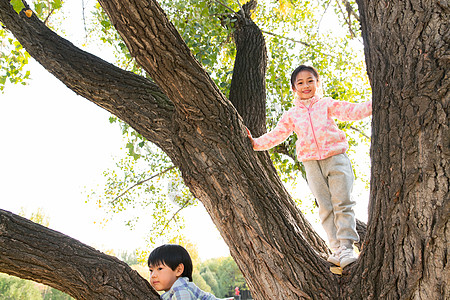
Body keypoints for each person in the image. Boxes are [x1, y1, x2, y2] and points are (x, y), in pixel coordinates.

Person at [246, 65, 372, 268]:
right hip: (311, 163)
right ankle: (336, 248)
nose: (306, 85)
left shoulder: (326, 104)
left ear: (317, 83)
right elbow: (277, 134)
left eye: (310, 81)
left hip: (336, 158)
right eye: (300, 83)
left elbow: (351, 111)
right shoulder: (292, 115)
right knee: (325, 206)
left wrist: (375, 103)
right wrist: (255, 143)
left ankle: (347, 246)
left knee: (342, 202)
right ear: (294, 89)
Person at [148, 244, 218, 300]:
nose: (153, 275)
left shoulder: (181, 290)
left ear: (179, 270)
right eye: (151, 270)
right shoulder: (175, 291)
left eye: (160, 269)